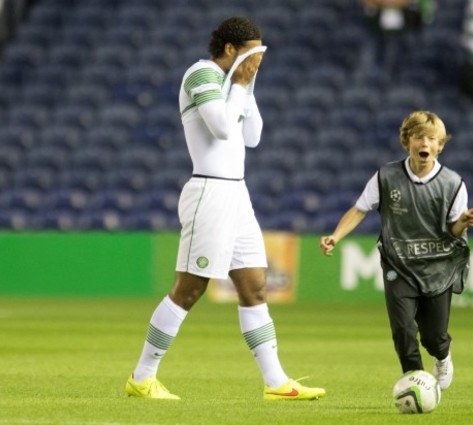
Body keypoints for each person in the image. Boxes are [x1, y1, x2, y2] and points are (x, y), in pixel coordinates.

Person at [124, 17, 325, 401]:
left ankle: (276, 381)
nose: (255, 62)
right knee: (190, 288)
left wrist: (247, 89)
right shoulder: (201, 74)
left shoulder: (237, 85)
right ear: (230, 50)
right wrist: (240, 84)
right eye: (250, 53)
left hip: (237, 194)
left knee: (254, 286)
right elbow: (219, 126)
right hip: (209, 193)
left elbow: (252, 136)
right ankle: (142, 376)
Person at [319, 111, 473, 391]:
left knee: (433, 336)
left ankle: (442, 357)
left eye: (432, 139)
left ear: (440, 146)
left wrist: (463, 222)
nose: (425, 143)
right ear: (407, 141)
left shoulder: (453, 183)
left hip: (438, 267)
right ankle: (415, 381)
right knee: (403, 329)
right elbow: (360, 209)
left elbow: (453, 231)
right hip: (399, 264)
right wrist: (336, 236)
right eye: (419, 137)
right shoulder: (387, 176)